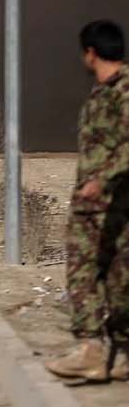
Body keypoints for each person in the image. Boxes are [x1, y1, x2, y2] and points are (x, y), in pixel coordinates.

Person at [46, 20, 129, 383]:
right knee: (102, 275)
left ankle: (97, 351)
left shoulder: (123, 91)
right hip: (97, 205)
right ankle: (107, 352)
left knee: (105, 277)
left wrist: (101, 180)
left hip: (113, 202)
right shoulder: (103, 92)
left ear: (90, 52)